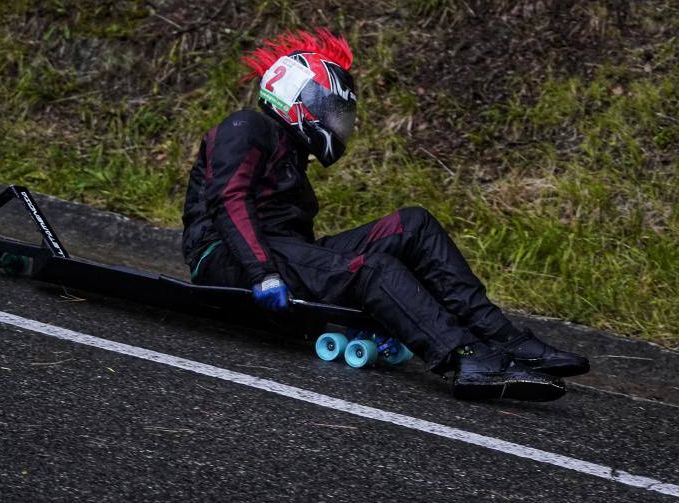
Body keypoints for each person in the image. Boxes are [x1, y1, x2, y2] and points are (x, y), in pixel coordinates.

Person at [181, 28, 589, 401]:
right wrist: (262, 273)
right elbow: (227, 199)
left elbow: (294, 243)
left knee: (413, 224)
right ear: (299, 101)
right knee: (370, 269)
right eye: (333, 111)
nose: (339, 124)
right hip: (224, 256)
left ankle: (506, 341)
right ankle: (466, 358)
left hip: (279, 254)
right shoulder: (245, 126)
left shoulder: (291, 155)